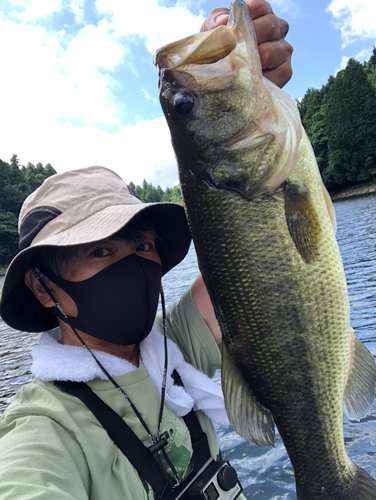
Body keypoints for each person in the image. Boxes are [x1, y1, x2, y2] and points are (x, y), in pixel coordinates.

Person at [0, 1, 293, 498]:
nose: (133, 263)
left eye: (141, 243)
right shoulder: (44, 430)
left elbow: (252, 261)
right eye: (99, 251)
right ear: (43, 285)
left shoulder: (172, 345)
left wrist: (229, 95)